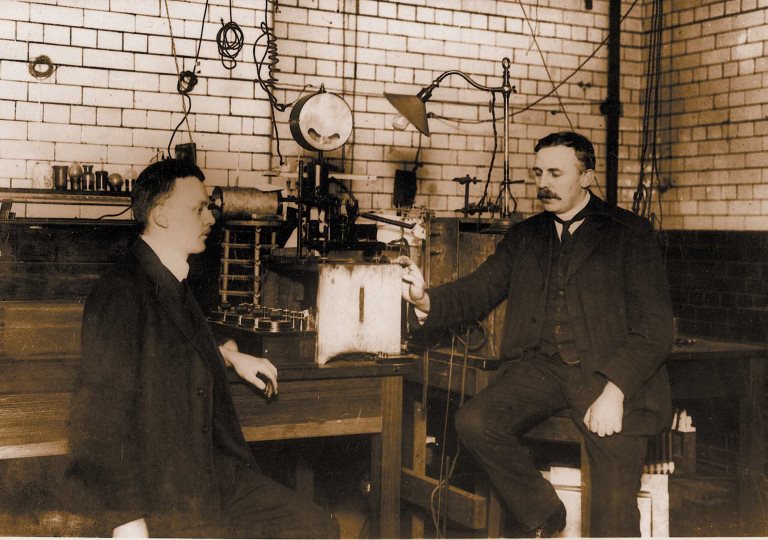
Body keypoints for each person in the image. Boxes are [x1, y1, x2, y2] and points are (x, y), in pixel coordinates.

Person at [397, 131, 673, 537]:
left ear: (587, 177)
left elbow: (655, 327)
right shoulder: (525, 236)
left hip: (607, 375)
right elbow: (480, 289)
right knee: (475, 421)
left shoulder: (629, 232)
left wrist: (615, 392)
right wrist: (425, 300)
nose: (544, 183)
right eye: (538, 172)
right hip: (540, 370)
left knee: (613, 505)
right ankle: (545, 513)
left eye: (556, 173)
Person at [65, 159, 338, 538]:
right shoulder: (120, 291)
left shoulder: (170, 277)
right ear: (160, 216)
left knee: (316, 525)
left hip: (206, 474)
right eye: (198, 209)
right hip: (160, 489)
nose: (211, 218)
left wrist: (226, 355)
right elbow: (100, 417)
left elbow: (171, 340)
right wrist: (125, 519)